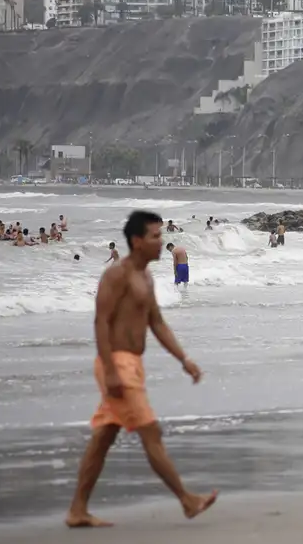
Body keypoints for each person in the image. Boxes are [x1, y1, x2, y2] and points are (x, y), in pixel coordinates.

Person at [65, 211, 217, 528]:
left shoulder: (146, 277)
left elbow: (157, 323)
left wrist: (183, 359)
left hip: (133, 364)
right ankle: (187, 501)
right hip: (116, 363)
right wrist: (109, 370)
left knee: (103, 438)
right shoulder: (116, 275)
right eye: (155, 236)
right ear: (137, 241)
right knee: (151, 432)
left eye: (162, 235)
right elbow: (101, 323)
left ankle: (78, 510)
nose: (161, 242)